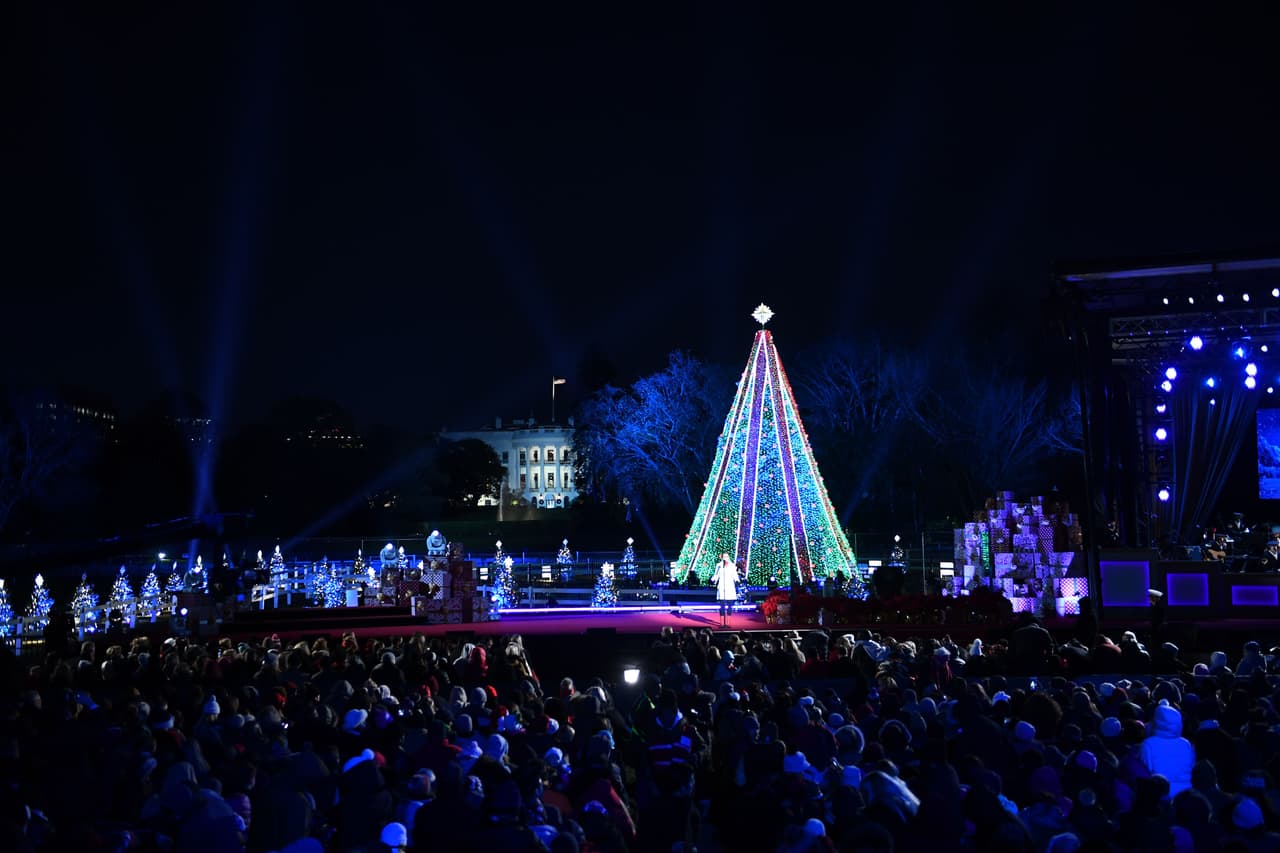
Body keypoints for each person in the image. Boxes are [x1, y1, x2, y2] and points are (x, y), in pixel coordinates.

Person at [710, 553, 739, 627]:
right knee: (722, 606)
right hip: (722, 588)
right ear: (722, 557)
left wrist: (737, 580)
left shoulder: (732, 565)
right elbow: (716, 575)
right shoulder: (719, 565)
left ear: (728, 557)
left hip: (730, 587)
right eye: (724, 556)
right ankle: (722, 623)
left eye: (726, 556)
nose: (725, 558)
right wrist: (713, 579)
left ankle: (728, 623)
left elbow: (735, 575)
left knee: (729, 606)